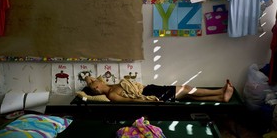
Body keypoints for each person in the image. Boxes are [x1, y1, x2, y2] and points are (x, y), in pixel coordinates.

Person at [77, 76, 234, 103]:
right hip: (151, 94)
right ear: (96, 87)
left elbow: (92, 78)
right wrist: (153, 101)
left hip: (150, 88)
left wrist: (89, 82)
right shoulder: (111, 94)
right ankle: (220, 92)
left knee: (188, 96)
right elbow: (132, 101)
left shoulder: (110, 85)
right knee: (186, 89)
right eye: (92, 81)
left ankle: (221, 97)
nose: (93, 78)